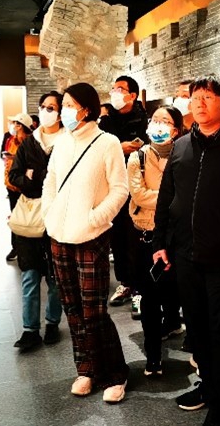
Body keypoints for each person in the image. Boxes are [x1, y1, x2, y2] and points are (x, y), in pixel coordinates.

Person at [152, 75, 220, 426]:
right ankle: (207, 386)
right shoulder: (182, 145)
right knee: (197, 329)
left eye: (208, 97)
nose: (199, 104)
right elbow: (167, 196)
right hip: (186, 256)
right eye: (195, 97)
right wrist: (160, 243)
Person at [42, 82, 130, 403]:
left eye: (68, 105)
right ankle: (86, 370)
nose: (63, 110)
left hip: (91, 236)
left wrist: (96, 218)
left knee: (94, 311)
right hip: (59, 236)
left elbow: (120, 189)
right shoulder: (63, 143)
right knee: (73, 308)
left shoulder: (107, 143)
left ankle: (116, 374)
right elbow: (50, 181)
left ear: (86, 109)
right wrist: (49, 214)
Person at [127, 105, 184, 376]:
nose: (158, 125)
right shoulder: (137, 157)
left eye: (165, 121)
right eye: (155, 120)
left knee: (180, 293)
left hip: (177, 237)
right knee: (149, 298)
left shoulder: (184, 156)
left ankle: (178, 330)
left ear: (176, 130)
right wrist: (171, 198)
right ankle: (153, 356)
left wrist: (160, 196)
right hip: (145, 235)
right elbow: (138, 196)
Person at [8, 92, 65, 352]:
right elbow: (15, 176)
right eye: (43, 106)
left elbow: (65, 179)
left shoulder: (68, 141)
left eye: (51, 107)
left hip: (57, 217)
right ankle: (30, 329)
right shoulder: (30, 142)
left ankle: (52, 322)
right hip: (30, 218)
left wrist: (35, 175)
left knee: (55, 278)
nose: (46, 111)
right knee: (29, 276)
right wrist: (34, 179)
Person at [99, 76, 148, 313]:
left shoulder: (145, 120)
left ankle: (140, 289)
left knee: (135, 240)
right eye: (113, 88)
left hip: (138, 187)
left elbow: (148, 148)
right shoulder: (106, 121)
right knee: (117, 238)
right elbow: (100, 148)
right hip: (112, 186)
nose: (115, 92)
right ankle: (125, 283)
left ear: (133, 95)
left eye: (121, 89)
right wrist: (120, 147)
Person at [3, 113, 33, 262]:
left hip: (24, 187)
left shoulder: (30, 142)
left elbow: (30, 162)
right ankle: (15, 247)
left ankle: (26, 250)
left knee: (26, 219)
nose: (13, 126)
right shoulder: (11, 140)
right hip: (11, 185)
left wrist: (15, 158)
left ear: (21, 126)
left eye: (16, 123)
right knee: (14, 217)